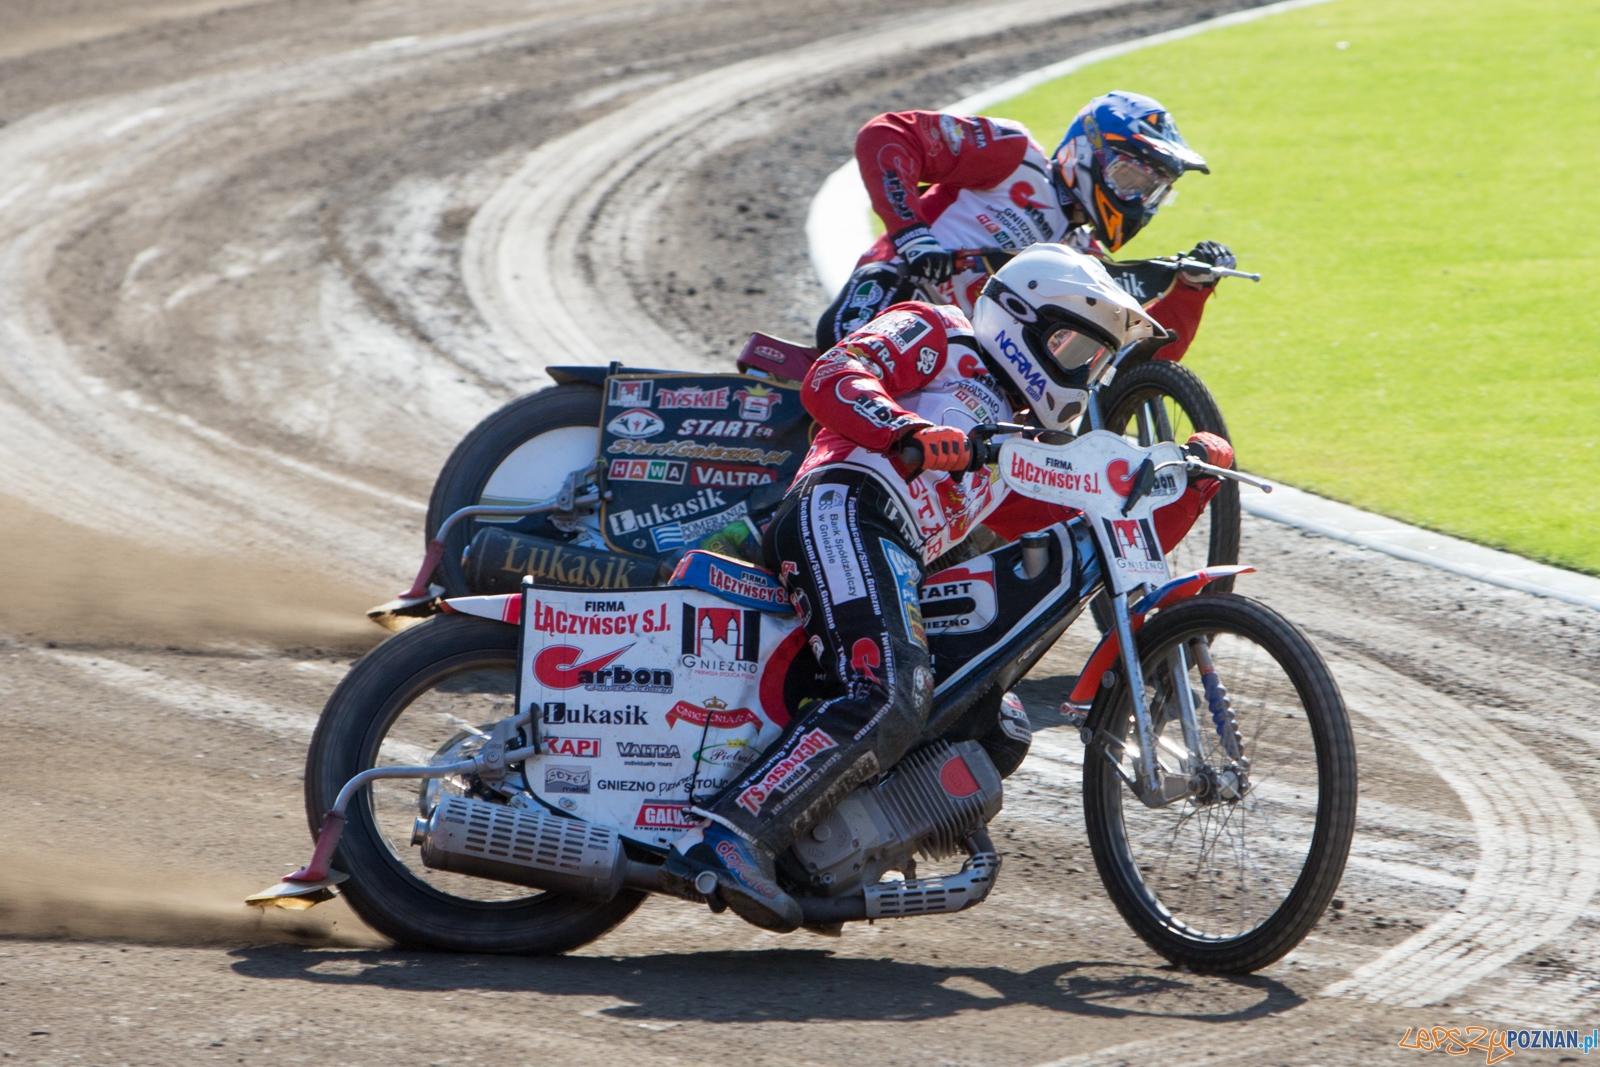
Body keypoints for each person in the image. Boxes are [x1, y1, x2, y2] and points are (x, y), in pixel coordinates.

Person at [664, 243, 1234, 932]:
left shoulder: (1019, 444)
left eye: (1099, 359)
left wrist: (1195, 467)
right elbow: (834, 372)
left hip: (894, 552)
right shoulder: (937, 330)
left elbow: (1098, 522)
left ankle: (814, 853)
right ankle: (732, 833)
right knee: (886, 693)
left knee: (998, 724)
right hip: (843, 504)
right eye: (1078, 347)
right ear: (1025, 322)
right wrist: (907, 428)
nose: (1086, 370)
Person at [816, 90, 1237, 359]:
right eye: (1130, 178)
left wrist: (1190, 291)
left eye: (1151, 190)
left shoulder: (1084, 258)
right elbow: (887, 135)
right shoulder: (1013, 155)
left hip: (961, 358)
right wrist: (913, 235)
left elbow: (1130, 359)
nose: (1136, 200)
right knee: (857, 350)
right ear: (1086, 151)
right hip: (895, 296)